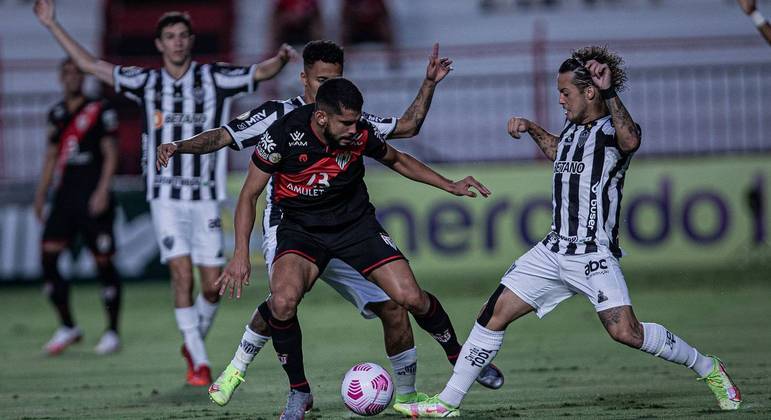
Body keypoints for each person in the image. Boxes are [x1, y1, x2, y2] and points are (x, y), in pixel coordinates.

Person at [157, 40, 504, 413]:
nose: (327, 88)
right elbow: (228, 148)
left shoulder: (353, 123)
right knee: (283, 300)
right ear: (304, 80)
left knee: (404, 301)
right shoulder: (279, 123)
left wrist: (431, 95)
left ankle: (431, 377)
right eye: (321, 80)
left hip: (353, 226)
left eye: (334, 80)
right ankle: (272, 381)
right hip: (294, 227)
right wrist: (180, 146)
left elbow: (403, 141)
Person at [409, 46, 742, 417]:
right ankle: (446, 404)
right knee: (492, 315)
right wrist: (533, 128)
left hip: (593, 254)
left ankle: (707, 366)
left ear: (589, 92)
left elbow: (631, 140)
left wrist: (610, 90)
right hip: (552, 251)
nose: (560, 100)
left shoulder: (612, 132)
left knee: (626, 333)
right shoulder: (573, 128)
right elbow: (561, 151)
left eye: (565, 93)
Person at [34, 0, 293, 386]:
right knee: (180, 273)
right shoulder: (147, 82)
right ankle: (200, 362)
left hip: (205, 195)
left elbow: (259, 72)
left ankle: (193, 343)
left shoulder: (214, 78)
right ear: (159, 44)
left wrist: (282, 59)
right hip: (165, 196)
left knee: (211, 286)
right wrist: (53, 24)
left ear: (190, 41)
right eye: (169, 37)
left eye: (183, 36)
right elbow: (92, 66)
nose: (176, 42)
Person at [34, 58, 121, 356]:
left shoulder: (100, 110)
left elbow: (111, 154)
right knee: (47, 256)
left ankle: (112, 331)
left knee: (103, 262)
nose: (71, 77)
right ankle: (68, 325)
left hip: (92, 195)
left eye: (76, 72)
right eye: (67, 73)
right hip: (65, 198)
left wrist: (102, 190)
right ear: (60, 78)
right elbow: (50, 157)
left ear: (84, 78)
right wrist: (41, 194)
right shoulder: (56, 114)